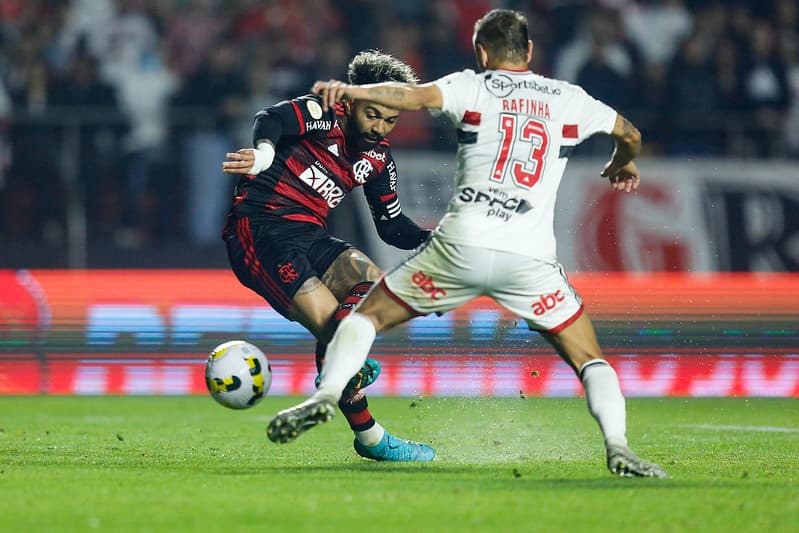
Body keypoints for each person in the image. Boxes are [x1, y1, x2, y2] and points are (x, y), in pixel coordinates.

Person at [268, 9, 667, 478]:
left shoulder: (474, 85)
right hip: (530, 257)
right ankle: (617, 445)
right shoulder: (569, 97)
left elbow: (408, 97)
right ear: (530, 51)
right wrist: (623, 163)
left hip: (460, 244)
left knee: (367, 317)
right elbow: (631, 134)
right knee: (589, 358)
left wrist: (352, 91)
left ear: (481, 51)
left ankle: (327, 394)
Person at [221, 50, 434, 462]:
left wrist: (435, 239)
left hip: (309, 234)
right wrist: (264, 153)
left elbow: (391, 227)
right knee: (338, 334)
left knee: (373, 287)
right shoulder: (324, 113)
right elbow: (272, 119)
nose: (379, 128)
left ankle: (343, 389)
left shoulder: (377, 159)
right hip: (259, 228)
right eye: (373, 115)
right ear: (351, 102)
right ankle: (370, 433)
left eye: (391, 120)